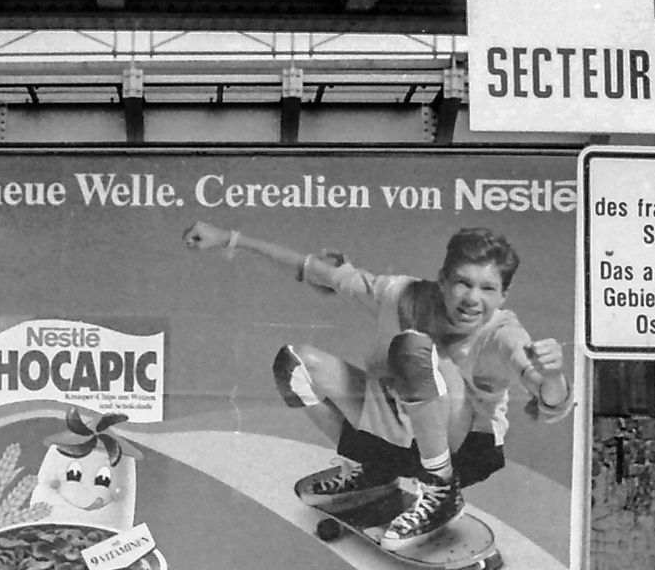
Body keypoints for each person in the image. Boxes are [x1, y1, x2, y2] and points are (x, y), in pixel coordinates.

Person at [182, 221, 572, 552]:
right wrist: (232, 239)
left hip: (466, 447)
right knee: (295, 364)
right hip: (402, 428)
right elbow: (316, 271)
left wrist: (552, 377)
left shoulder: (503, 333)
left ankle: (440, 492)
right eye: (462, 284)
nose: (472, 300)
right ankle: (371, 470)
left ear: (502, 295)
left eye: (487, 289)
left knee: (412, 348)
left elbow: (546, 395)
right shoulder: (401, 294)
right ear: (441, 282)